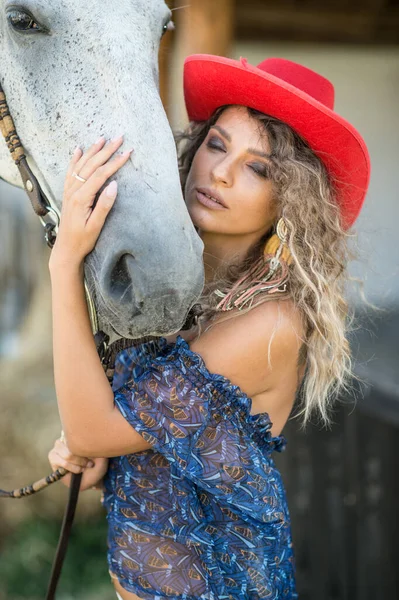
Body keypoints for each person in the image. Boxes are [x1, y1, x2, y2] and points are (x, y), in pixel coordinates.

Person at [47, 55, 370, 600]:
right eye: (217, 144)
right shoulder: (178, 292)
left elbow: (91, 428)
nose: (219, 171)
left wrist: (64, 263)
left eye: (258, 167)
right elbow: (123, 433)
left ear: (291, 200)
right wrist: (108, 455)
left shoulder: (270, 323)